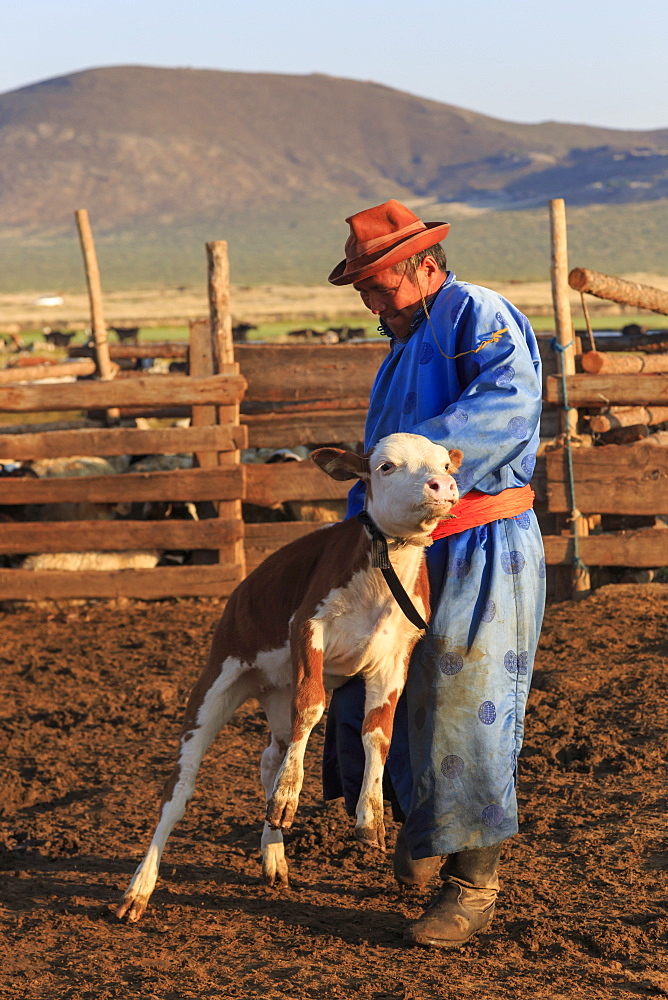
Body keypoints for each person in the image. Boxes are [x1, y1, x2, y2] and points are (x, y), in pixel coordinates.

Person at [323, 199, 545, 948]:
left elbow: (507, 407)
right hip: (405, 548)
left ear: (425, 266)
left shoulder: (476, 316)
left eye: (381, 285)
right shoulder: (401, 349)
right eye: (365, 290)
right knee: (394, 684)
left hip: (479, 539)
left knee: (465, 695)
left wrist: (413, 468)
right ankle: (424, 830)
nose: (373, 301)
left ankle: (473, 885)